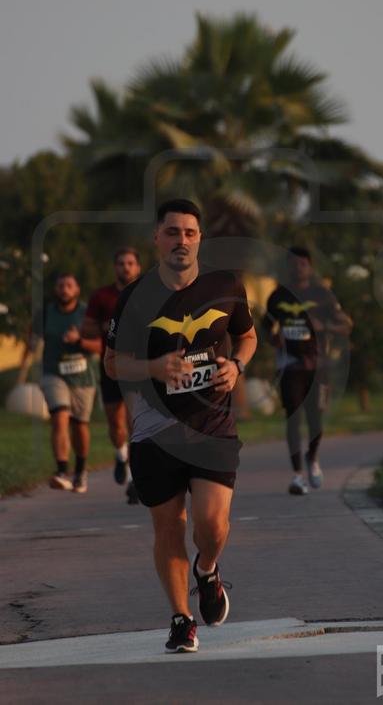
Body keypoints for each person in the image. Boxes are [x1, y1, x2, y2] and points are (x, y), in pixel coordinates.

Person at [104, 199, 257, 654]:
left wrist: (237, 366)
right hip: (155, 426)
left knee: (212, 525)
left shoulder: (225, 285)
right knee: (168, 527)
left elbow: (247, 336)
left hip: (212, 422)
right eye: (172, 232)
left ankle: (207, 570)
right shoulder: (135, 297)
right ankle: (181, 619)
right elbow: (112, 363)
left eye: (189, 233)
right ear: (157, 238)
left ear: (200, 239)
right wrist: (153, 367)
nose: (181, 241)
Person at [264, 247, 352, 495]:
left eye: (303, 263)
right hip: (289, 365)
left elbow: (346, 325)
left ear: (310, 267)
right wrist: (274, 338)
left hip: (318, 366)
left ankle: (312, 458)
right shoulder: (278, 295)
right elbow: (265, 327)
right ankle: (297, 475)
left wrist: (324, 326)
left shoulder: (322, 294)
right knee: (293, 417)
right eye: (294, 263)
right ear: (288, 267)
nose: (298, 267)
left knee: (315, 419)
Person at [82, 247, 142, 503]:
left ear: (138, 267)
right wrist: (104, 327)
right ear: (115, 267)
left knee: (134, 422)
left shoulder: (147, 293)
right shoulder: (101, 296)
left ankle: (134, 480)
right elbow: (87, 330)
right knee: (115, 425)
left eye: (130, 263)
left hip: (138, 365)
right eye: (121, 263)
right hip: (111, 365)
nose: (125, 267)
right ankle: (120, 455)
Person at [32, 273, 97, 493]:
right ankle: (61, 471)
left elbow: (101, 346)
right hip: (53, 374)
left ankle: (80, 470)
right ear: (55, 289)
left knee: (79, 425)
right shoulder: (45, 313)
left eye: (69, 285)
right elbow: (33, 336)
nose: (64, 289)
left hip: (83, 377)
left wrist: (79, 341)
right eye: (60, 285)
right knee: (59, 417)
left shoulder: (87, 313)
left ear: (77, 290)